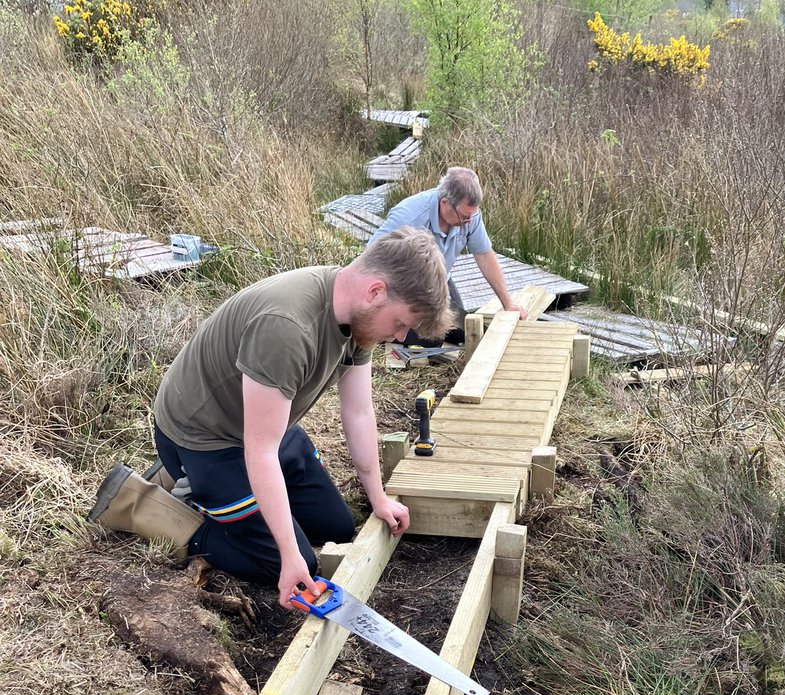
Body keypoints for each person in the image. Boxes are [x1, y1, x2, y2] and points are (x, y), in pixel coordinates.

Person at [89, 227, 451, 607]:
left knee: (338, 528)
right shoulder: (288, 326)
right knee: (285, 563)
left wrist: (378, 498)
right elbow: (259, 451)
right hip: (203, 438)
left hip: (262, 426)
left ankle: (199, 487)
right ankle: (150, 501)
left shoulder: (357, 318)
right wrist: (290, 556)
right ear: (375, 291)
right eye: (401, 323)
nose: (400, 336)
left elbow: (358, 412)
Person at [368, 166, 527, 342]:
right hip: (406, 287)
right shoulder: (409, 216)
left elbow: (484, 255)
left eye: (471, 216)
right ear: (445, 203)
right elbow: (372, 257)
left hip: (440, 280)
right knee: (430, 341)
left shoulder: (470, 216)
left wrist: (508, 304)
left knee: (461, 333)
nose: (468, 221)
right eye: (464, 217)